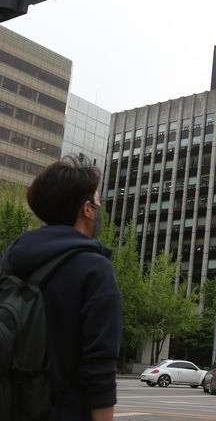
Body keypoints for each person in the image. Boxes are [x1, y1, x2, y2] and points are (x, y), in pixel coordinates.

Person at [0, 155, 123, 421]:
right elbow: (99, 368)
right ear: (87, 209)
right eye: (98, 203)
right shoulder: (94, 269)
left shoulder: (11, 263)